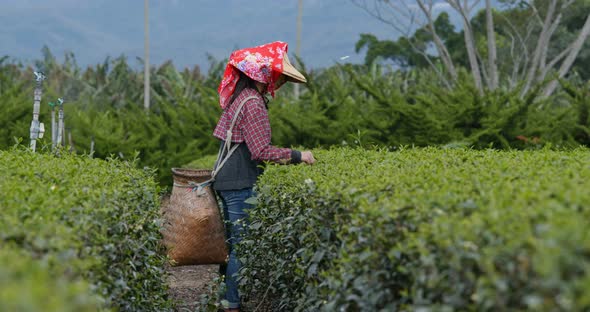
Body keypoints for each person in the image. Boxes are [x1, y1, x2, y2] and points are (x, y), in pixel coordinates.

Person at [212, 41, 315, 312]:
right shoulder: (253, 103)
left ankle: (226, 299)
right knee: (241, 248)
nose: (278, 80)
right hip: (239, 183)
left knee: (234, 245)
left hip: (226, 180)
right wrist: (298, 155)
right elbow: (261, 151)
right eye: (276, 75)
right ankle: (231, 304)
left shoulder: (239, 98)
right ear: (263, 75)